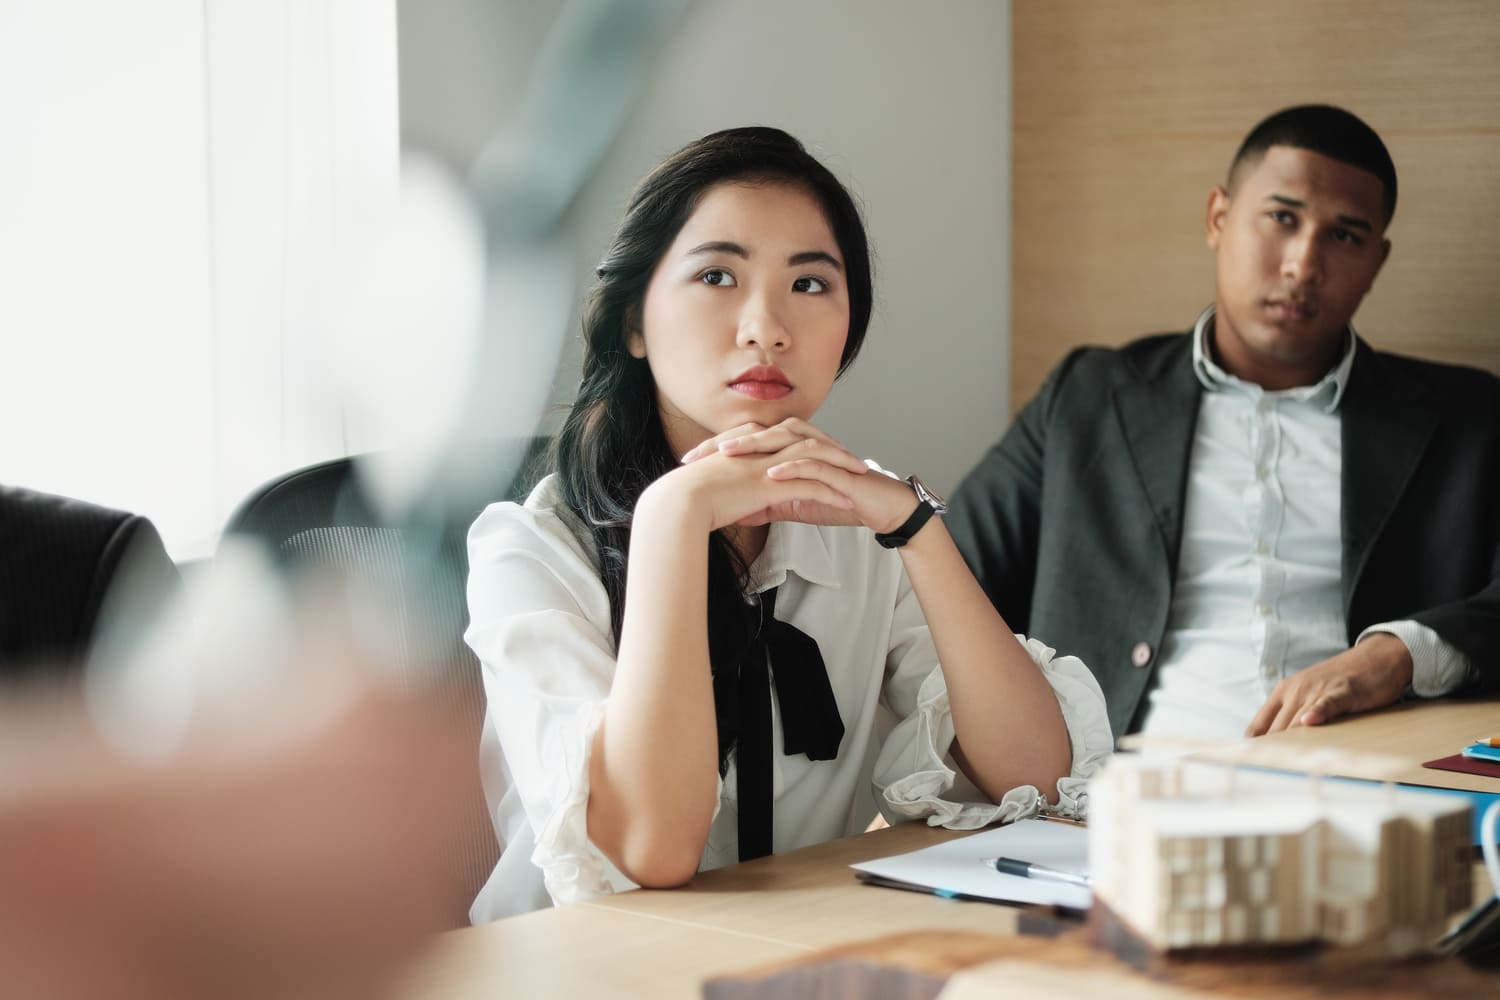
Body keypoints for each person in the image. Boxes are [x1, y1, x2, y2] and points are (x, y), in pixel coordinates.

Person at [464, 126, 1111, 920]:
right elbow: (649, 854)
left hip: (800, 954)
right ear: (634, 322)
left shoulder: (853, 531)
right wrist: (674, 515)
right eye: (717, 275)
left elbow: (1036, 778)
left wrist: (914, 525)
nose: (766, 326)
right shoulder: (529, 551)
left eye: (809, 285)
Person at [947, 104, 1500, 742]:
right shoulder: (1089, 395)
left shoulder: (1465, 419)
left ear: (1377, 261)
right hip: (1116, 788)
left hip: (1359, 784)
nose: (1303, 264)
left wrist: (1400, 654)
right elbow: (952, 578)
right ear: (1218, 217)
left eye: (1345, 235)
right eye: (1282, 218)